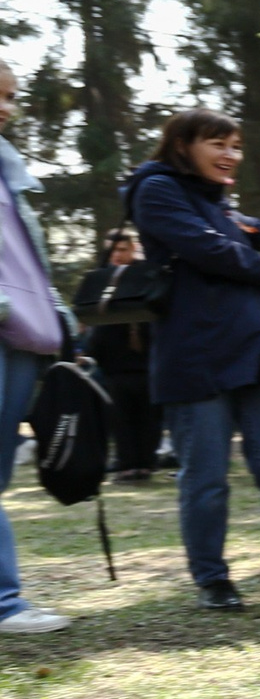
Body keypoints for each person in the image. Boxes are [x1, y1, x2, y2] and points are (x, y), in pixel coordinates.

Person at [126, 108, 260, 611]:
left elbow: (249, 226)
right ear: (184, 145)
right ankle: (212, 580)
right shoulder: (155, 189)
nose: (231, 156)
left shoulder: (217, 199)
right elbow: (206, 248)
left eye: (236, 146)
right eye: (218, 145)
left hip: (252, 357)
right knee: (206, 480)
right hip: (195, 359)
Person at [0, 61, 79, 634]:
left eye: (9, 97)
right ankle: (5, 603)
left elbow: (24, 254)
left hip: (23, 334)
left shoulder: (8, 166)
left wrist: (55, 309)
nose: (6, 108)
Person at [71, 226, 163, 479]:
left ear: (133, 248)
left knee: (149, 418)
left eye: (122, 249)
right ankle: (127, 465)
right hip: (115, 364)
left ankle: (146, 463)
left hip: (148, 363)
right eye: (112, 250)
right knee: (119, 419)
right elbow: (94, 323)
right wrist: (86, 351)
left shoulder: (148, 277)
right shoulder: (102, 280)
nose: (117, 255)